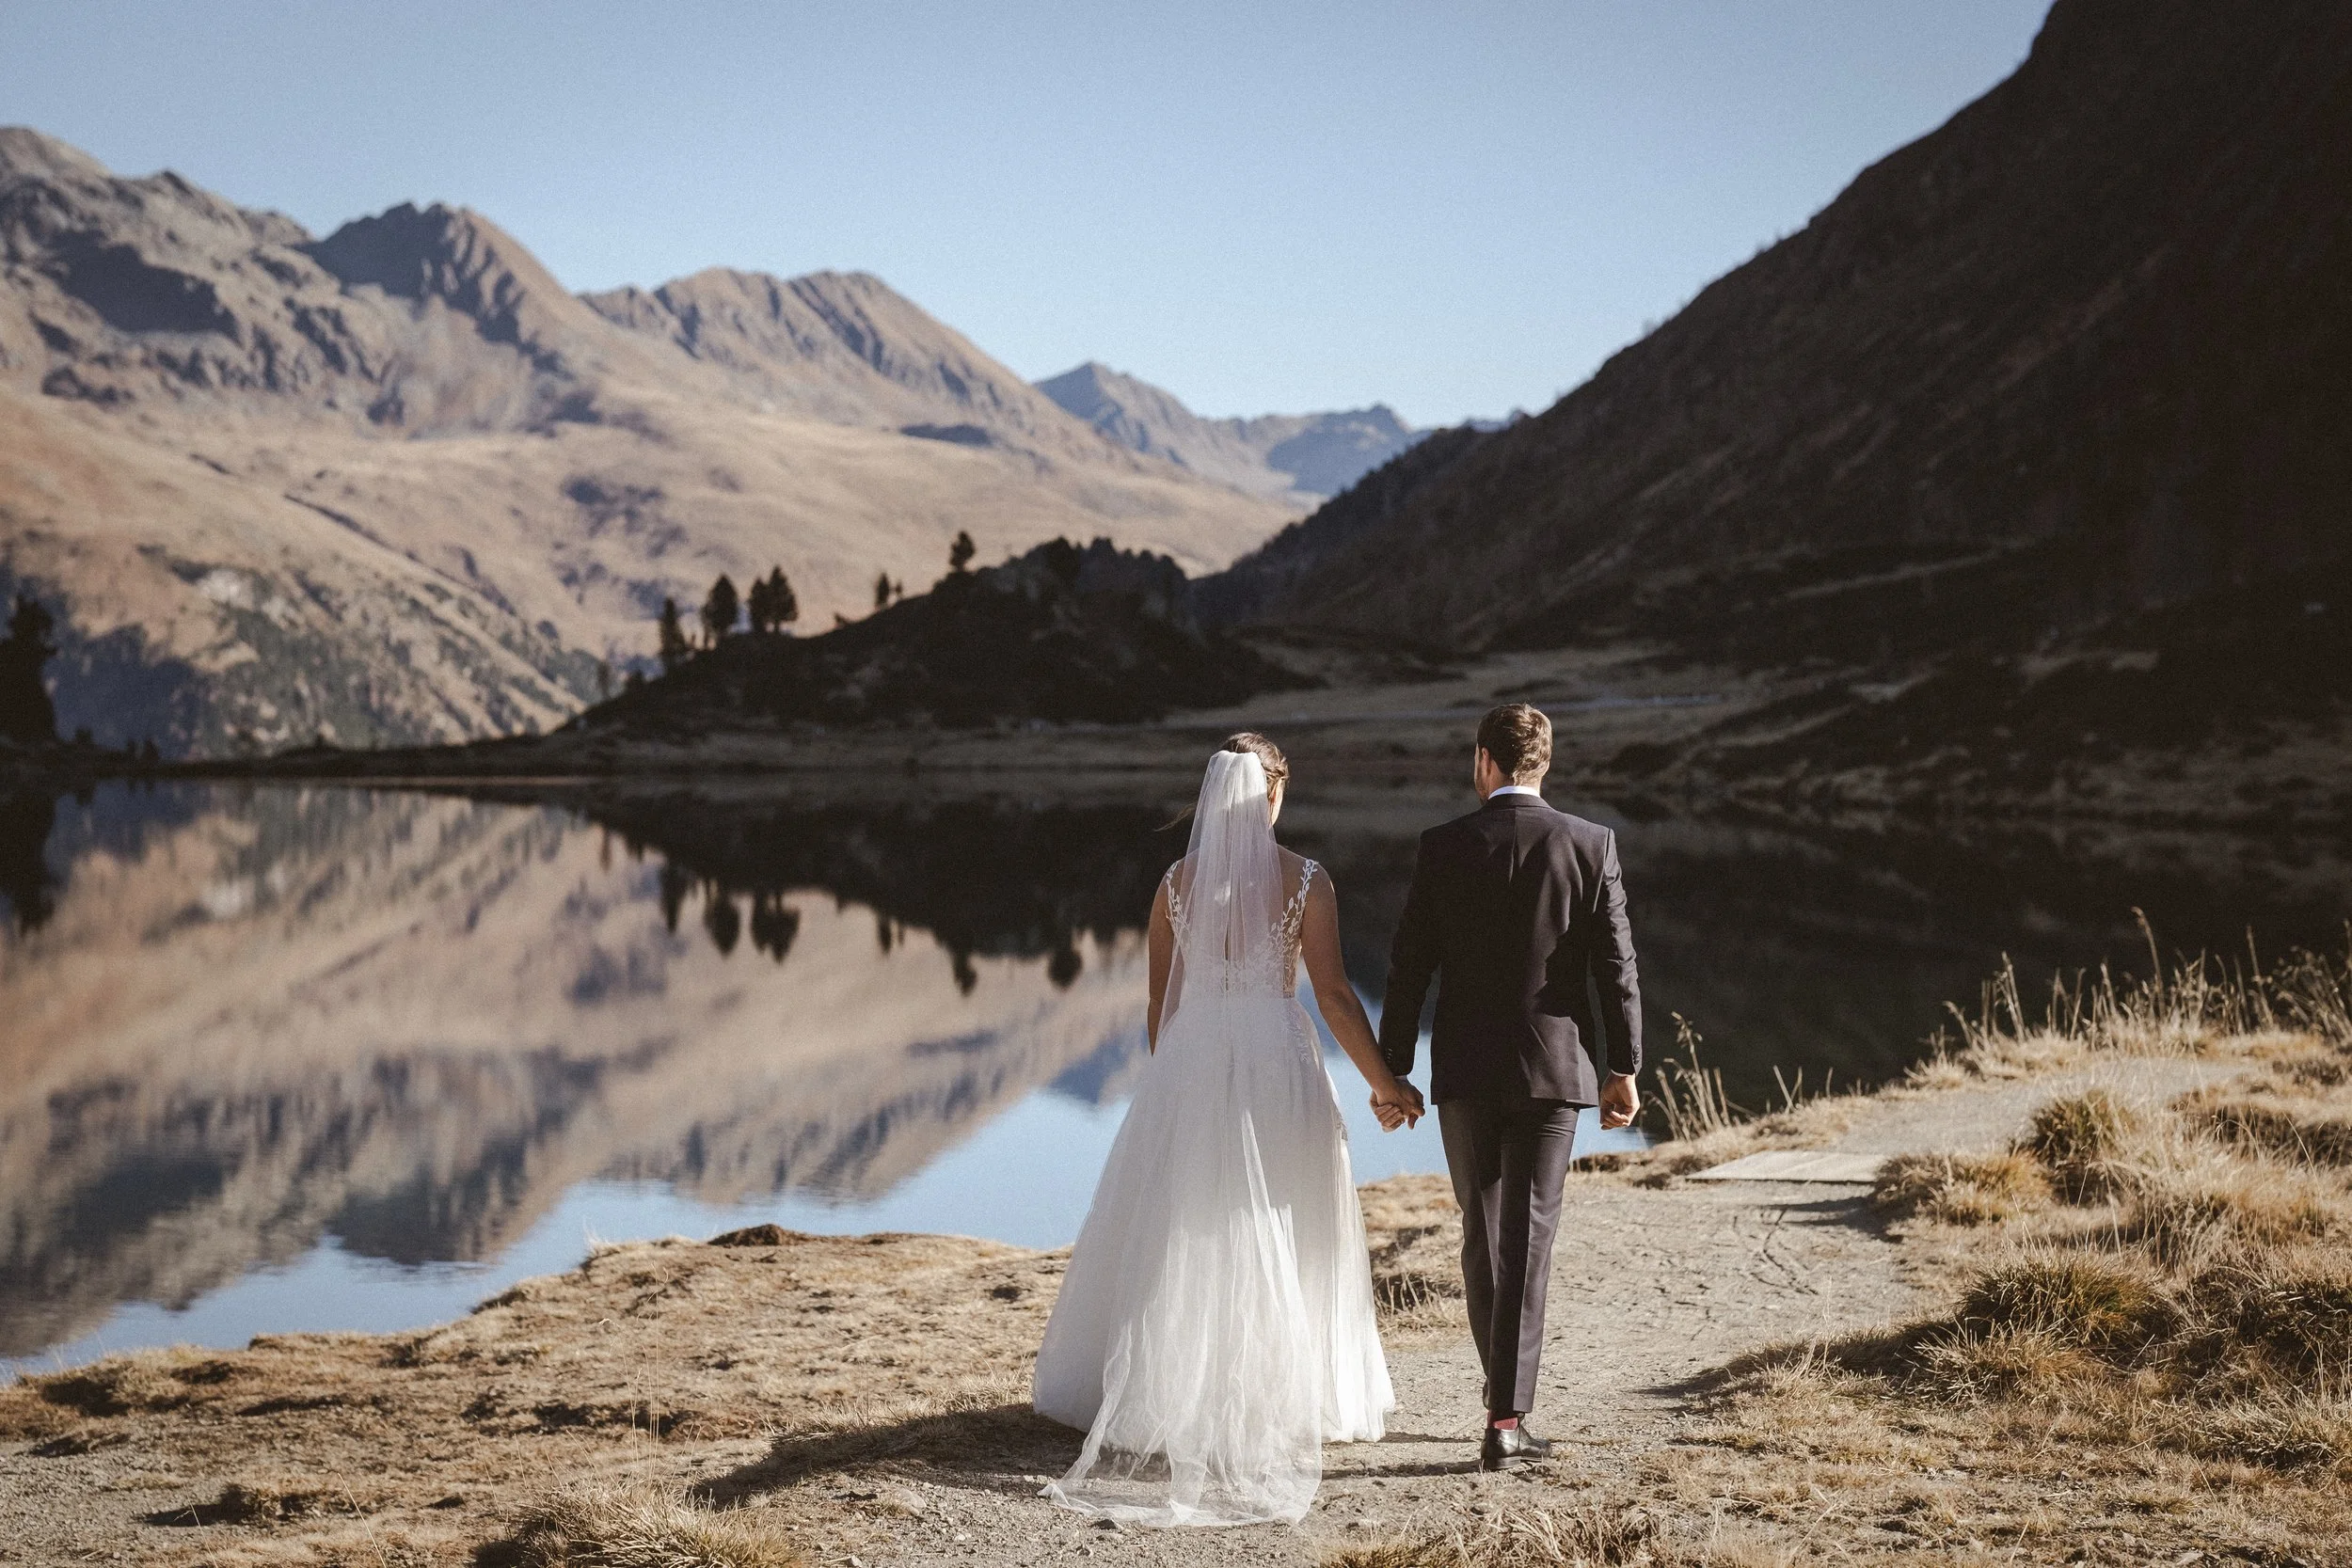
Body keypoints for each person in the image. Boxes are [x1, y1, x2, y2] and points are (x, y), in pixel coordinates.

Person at [1032, 732, 1420, 1526]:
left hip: (1194, 1059)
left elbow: (1157, 1005)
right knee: (1283, 1212)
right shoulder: (1307, 880)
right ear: (1274, 794)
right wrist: (1388, 1083)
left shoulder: (1174, 883)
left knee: (1186, 1224)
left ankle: (1169, 1394)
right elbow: (1338, 998)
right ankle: (1285, 1392)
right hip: (1277, 1059)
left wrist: (1175, 1081)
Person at [1378, 703, 1643, 1471]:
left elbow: (1409, 964)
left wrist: (1394, 1067)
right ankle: (1505, 1416)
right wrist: (1622, 1065)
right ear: (1543, 764)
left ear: (1483, 761)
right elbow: (1616, 966)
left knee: (1482, 1232)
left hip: (1463, 1072)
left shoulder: (1443, 845)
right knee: (1527, 1237)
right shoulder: (1592, 844)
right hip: (1555, 1072)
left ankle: (1502, 1401)